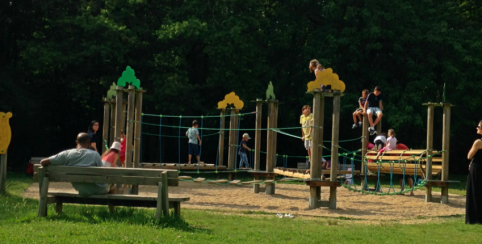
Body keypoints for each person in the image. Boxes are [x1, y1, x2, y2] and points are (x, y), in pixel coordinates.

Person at [39, 133, 108, 196]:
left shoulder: (67, 154)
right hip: (98, 189)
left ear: (76, 142)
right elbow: (102, 174)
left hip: (82, 190)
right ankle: (112, 208)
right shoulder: (95, 154)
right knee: (112, 185)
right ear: (88, 142)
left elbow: (43, 162)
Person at [466, 120, 482, 224]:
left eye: (479, 126)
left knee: (474, 192)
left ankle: (474, 218)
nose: (477, 128)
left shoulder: (479, 142)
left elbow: (469, 156)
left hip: (477, 169)